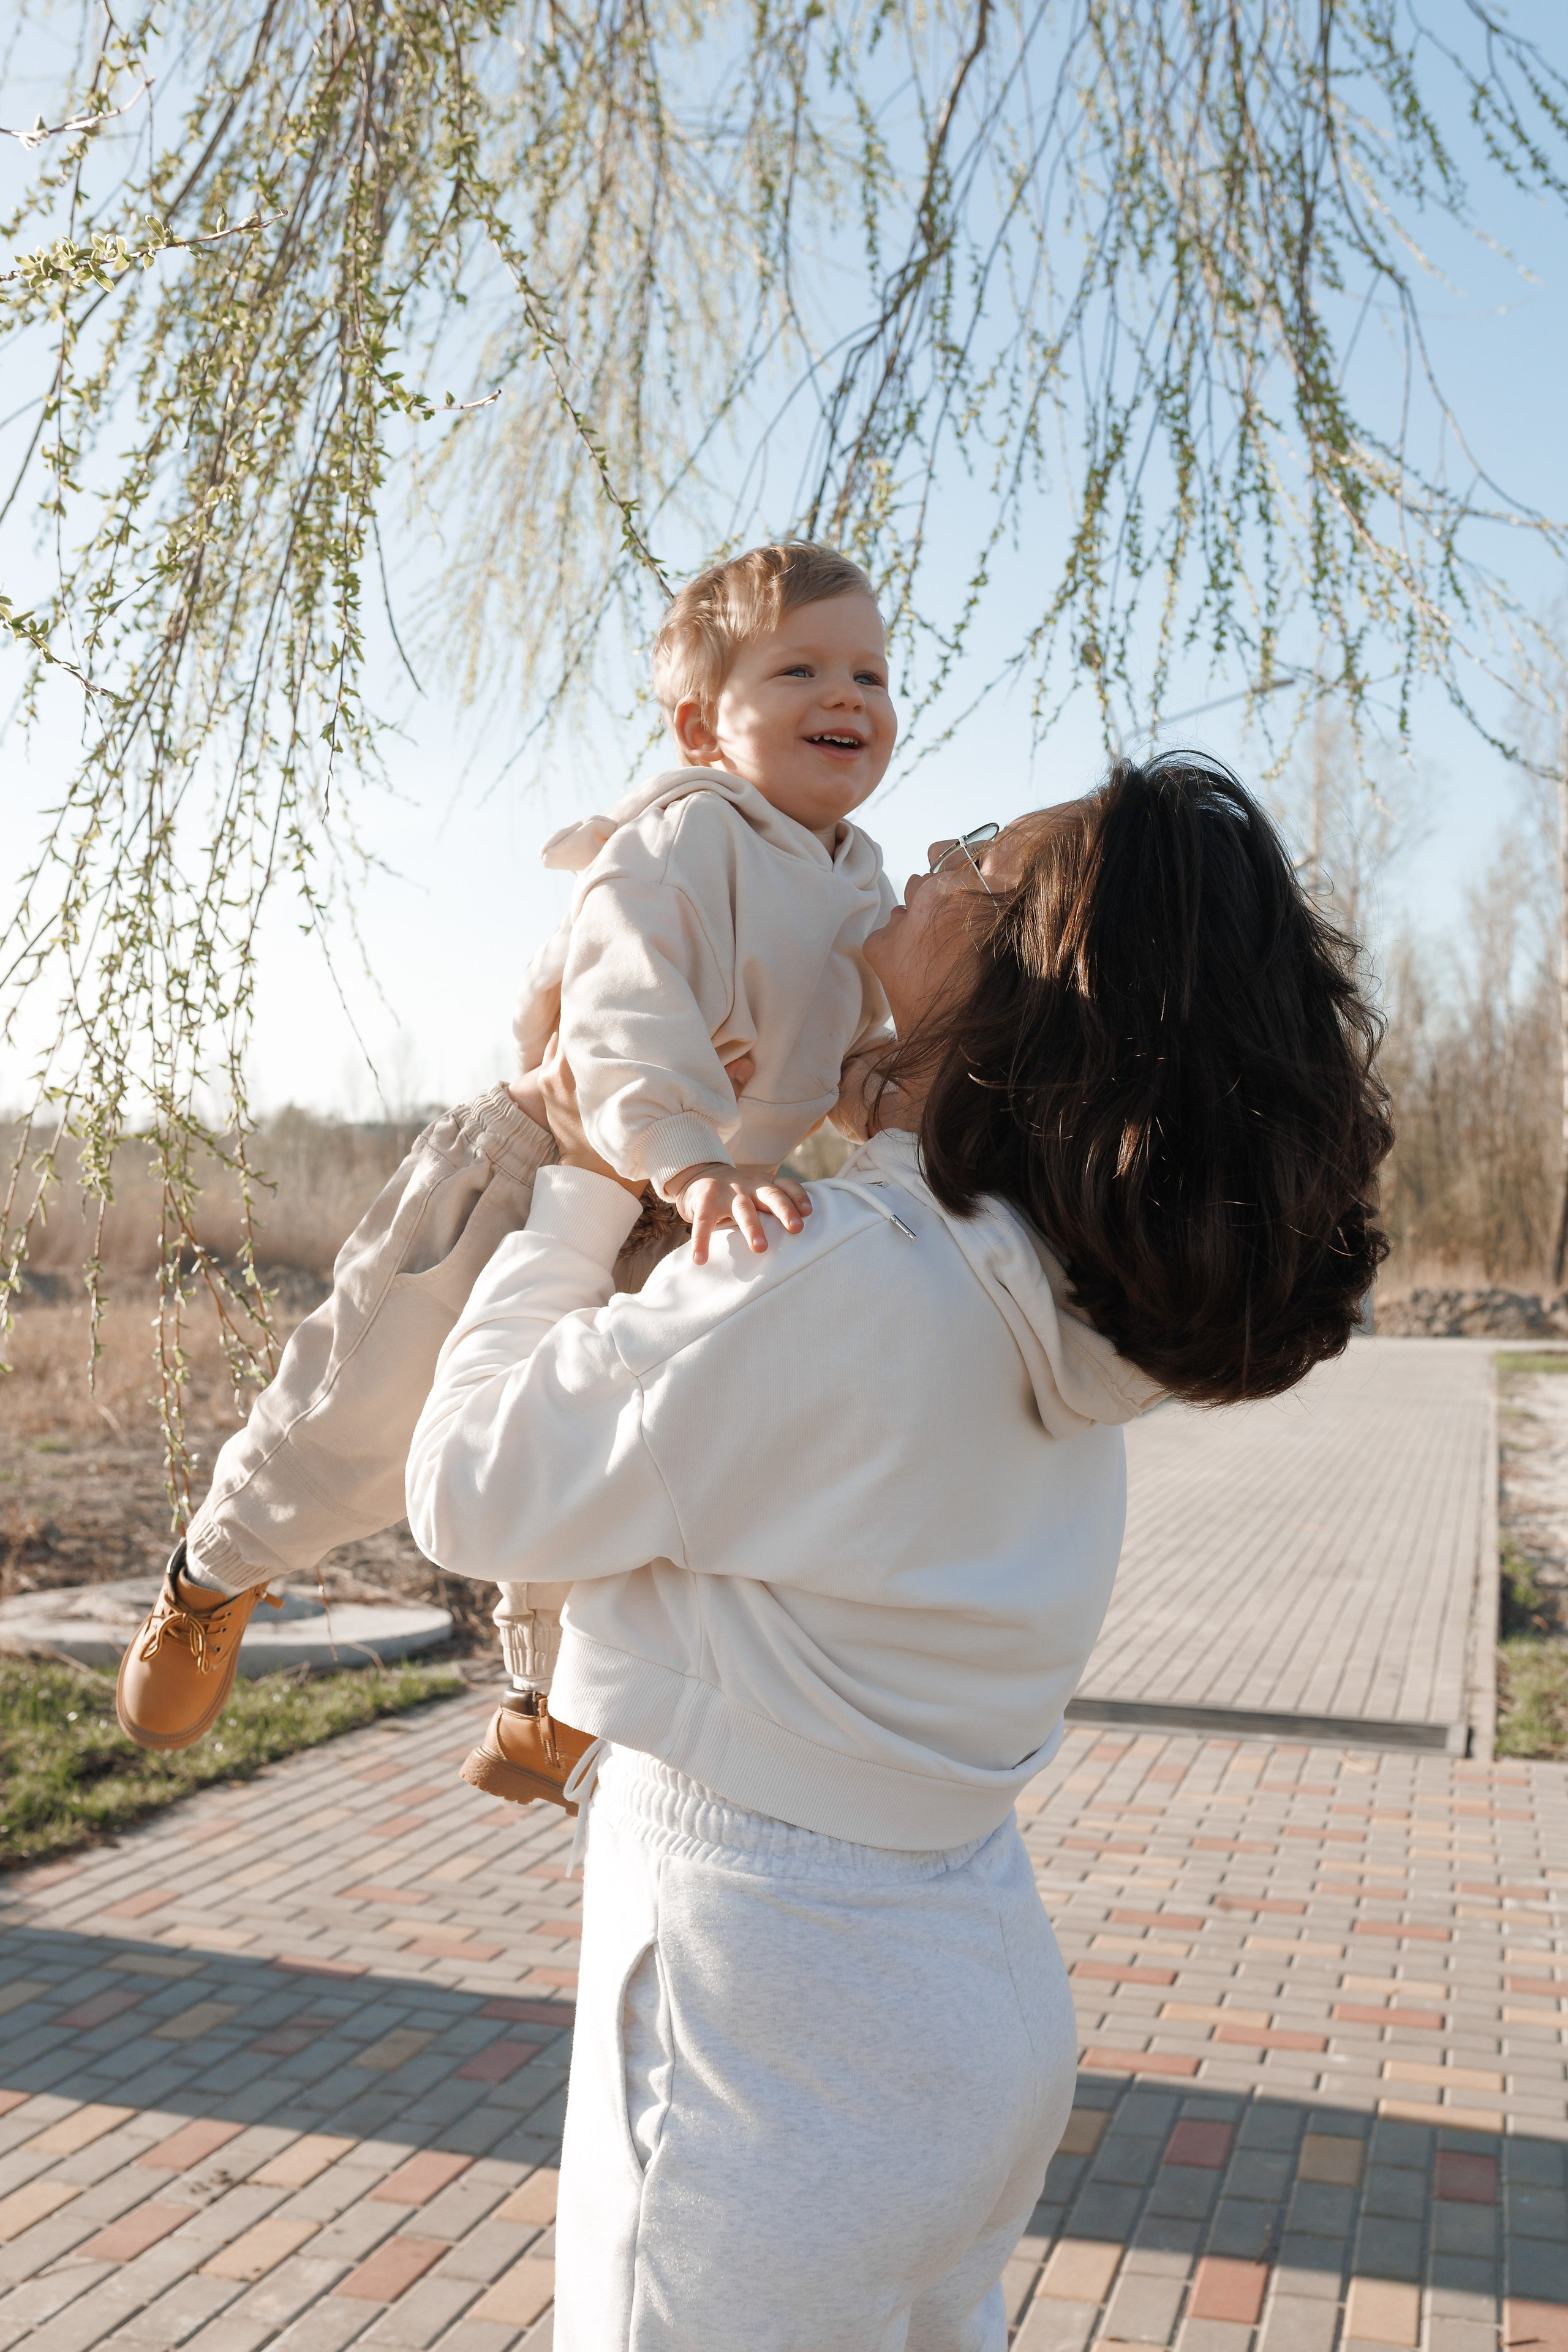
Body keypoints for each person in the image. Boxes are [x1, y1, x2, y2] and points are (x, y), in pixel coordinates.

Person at [405, 755, 1392, 2350]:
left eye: (979, 863)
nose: (927, 854)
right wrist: (861, 1109)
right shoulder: (1059, 1299)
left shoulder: (838, 1277)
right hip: (962, 2003)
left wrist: (582, 1186)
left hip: (762, 2029)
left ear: (1026, 980)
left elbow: (468, 1488)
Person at [113, 541, 898, 1774]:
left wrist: (885, 1101)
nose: (847, 695)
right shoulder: (684, 836)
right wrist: (687, 1157)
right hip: (544, 1162)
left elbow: (859, 1046)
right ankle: (216, 1571)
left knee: (597, 1445)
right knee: (368, 1404)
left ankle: (547, 1699)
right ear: (702, 726)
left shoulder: (862, 881)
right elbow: (624, 1009)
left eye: (870, 674)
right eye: (800, 670)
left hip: (693, 1210)